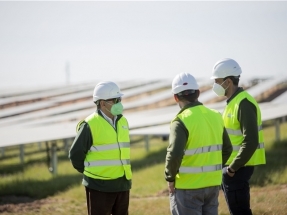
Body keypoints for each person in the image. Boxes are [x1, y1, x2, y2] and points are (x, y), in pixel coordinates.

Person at [165, 72, 233, 215]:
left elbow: (175, 154)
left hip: (187, 187)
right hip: (212, 185)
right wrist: (212, 169)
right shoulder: (216, 115)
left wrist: (170, 177)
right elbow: (227, 148)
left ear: (175, 97)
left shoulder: (180, 121)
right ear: (198, 93)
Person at [210, 58, 266, 215]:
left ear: (228, 82)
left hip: (238, 169)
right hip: (233, 168)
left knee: (240, 212)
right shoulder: (233, 102)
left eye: (217, 81)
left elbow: (251, 141)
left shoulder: (243, 103)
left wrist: (232, 169)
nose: (214, 85)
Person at [69, 81, 132, 215]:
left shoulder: (123, 121)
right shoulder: (89, 124)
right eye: (115, 100)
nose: (119, 103)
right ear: (102, 103)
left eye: (119, 99)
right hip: (99, 186)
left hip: (122, 183)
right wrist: (89, 172)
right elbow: (75, 154)